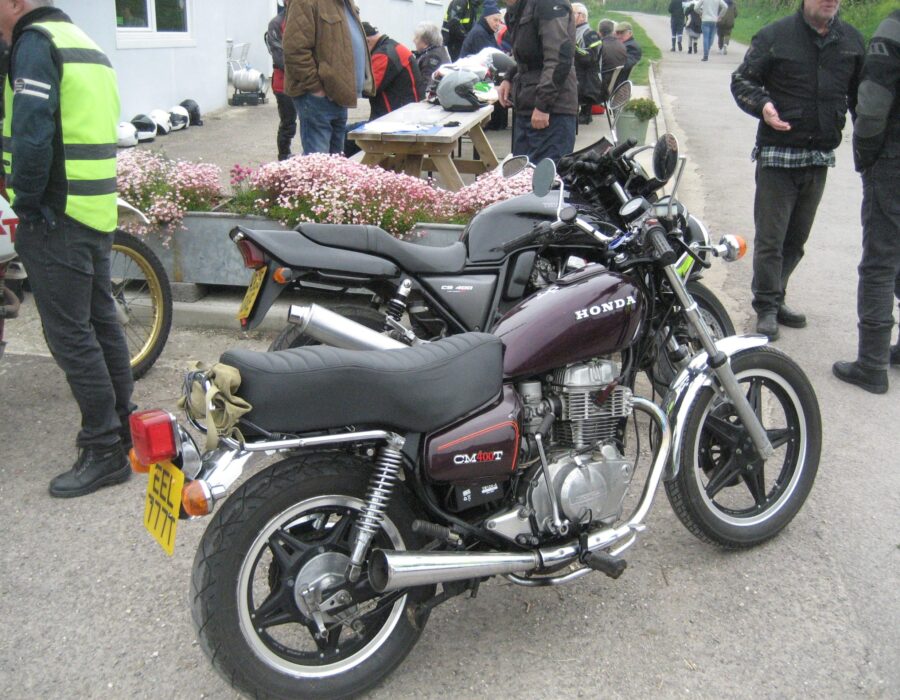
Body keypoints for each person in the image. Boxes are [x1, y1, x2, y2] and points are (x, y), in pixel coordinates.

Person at [1, 0, 134, 498]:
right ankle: (123, 429)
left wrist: (27, 203)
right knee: (100, 323)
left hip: (55, 215)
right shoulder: (84, 42)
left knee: (71, 337)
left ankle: (103, 448)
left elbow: (32, 133)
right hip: (93, 209)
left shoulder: (36, 44)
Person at [731, 0, 864, 341]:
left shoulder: (851, 40)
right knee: (771, 239)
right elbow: (742, 81)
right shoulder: (775, 35)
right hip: (778, 155)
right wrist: (763, 105)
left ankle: (777, 295)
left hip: (819, 157)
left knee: (796, 239)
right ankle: (766, 306)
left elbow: (860, 98)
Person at [833, 9, 900, 395]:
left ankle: (872, 364)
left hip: (893, 162)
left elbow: (872, 104)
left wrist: (866, 155)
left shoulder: (894, 29)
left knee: (880, 262)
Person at [283, 0, 373, 154]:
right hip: (318, 98)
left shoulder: (343, 2)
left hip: (339, 95)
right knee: (319, 163)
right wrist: (316, 88)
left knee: (335, 163)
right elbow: (295, 50)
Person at [498, 0, 578, 164]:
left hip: (552, 111)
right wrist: (509, 77)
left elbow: (559, 57)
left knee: (546, 176)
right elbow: (528, 55)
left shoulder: (548, 3)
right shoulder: (518, 8)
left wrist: (543, 105)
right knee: (521, 174)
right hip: (527, 105)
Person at [364, 23, 425, 121]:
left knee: (344, 130)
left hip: (395, 119)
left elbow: (369, 88)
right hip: (406, 112)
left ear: (367, 41)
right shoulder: (392, 47)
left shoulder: (383, 55)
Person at [265, 0, 297, 160]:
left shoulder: (305, 19)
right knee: (288, 122)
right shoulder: (276, 24)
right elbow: (279, 57)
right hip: (283, 83)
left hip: (305, 81)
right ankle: (284, 156)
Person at [571, 3, 603, 125]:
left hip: (587, 79)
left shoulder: (590, 33)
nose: (568, 16)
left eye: (572, 13)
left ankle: (585, 113)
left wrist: (573, 48)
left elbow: (591, 57)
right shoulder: (574, 31)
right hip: (578, 75)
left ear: (582, 16)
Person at [413, 21, 451, 85]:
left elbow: (425, 84)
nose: (413, 40)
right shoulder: (435, 52)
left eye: (417, 38)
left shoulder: (433, 57)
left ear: (425, 41)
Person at [597, 19, 626, 101]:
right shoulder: (621, 45)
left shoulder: (600, 46)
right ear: (613, 31)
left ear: (599, 32)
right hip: (614, 85)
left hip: (601, 88)